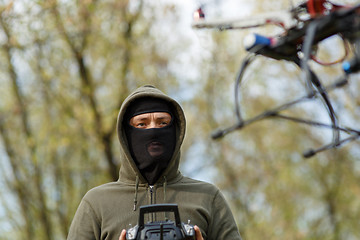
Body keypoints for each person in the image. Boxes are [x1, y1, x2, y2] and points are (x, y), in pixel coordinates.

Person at [67, 85, 242, 240]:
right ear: (126, 135)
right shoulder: (97, 203)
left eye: (162, 122)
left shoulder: (208, 197)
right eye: (142, 124)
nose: (153, 131)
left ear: (175, 132)